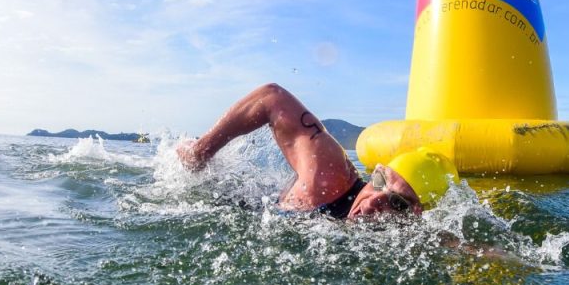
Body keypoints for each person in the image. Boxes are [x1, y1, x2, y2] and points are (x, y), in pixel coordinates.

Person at [177, 83, 457, 220]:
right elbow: (271, 97)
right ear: (377, 171)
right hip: (242, 205)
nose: (374, 202)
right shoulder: (326, 177)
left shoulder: (412, 239)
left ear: (416, 216)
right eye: (380, 181)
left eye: (397, 204)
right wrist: (200, 152)